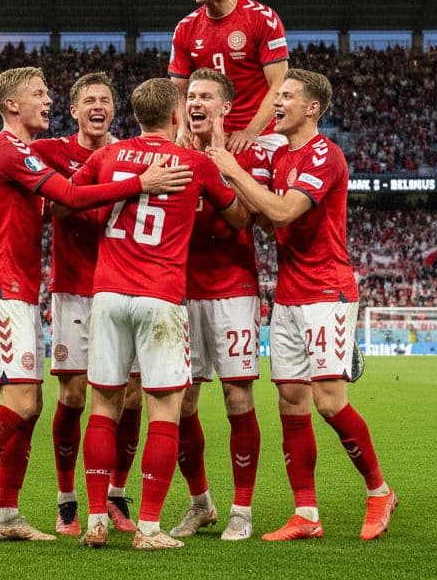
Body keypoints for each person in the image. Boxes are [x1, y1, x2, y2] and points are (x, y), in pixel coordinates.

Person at [0, 66, 192, 549]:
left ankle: (6, 512)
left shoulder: (30, 152)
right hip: (5, 288)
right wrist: (142, 182)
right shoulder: (14, 151)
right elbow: (66, 193)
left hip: (28, 289)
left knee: (33, 408)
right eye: (39, 94)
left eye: (48, 93)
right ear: (13, 105)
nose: (46, 100)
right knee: (30, 403)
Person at [208, 68, 397, 542]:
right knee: (292, 403)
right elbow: (270, 222)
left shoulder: (324, 155)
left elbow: (285, 211)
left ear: (311, 108)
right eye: (279, 95)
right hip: (289, 291)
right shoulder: (281, 159)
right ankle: (306, 513)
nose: (278, 102)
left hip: (326, 290)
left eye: (287, 96)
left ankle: (379, 491)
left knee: (330, 403)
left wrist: (232, 174)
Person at [74, 77, 248, 550]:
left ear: (134, 117)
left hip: (108, 295)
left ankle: (95, 520)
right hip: (161, 297)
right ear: (175, 116)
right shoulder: (192, 163)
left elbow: (68, 199)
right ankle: (149, 527)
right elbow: (238, 217)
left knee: (104, 407)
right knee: (164, 411)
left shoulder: (108, 157)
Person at [168, 69, 270, 541]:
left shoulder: (248, 154)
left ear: (226, 107)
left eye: (206, 95)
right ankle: (200, 502)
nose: (196, 101)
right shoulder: (172, 153)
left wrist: (223, 167)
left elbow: (250, 216)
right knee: (183, 400)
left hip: (233, 288)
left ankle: (242, 509)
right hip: (182, 291)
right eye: (191, 95)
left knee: (237, 397)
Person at [169, 0, 290, 153]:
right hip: (207, 138)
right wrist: (182, 129)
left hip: (262, 136)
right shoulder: (185, 28)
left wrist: (251, 132)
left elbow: (279, 84)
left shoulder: (262, 18)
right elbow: (178, 91)